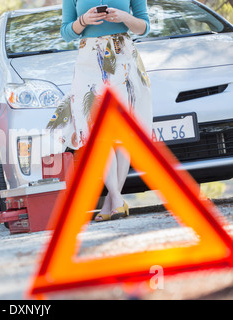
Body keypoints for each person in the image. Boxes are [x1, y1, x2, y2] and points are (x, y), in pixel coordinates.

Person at [47, 0, 153, 222]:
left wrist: (124, 17)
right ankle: (116, 198)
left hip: (124, 59)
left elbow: (144, 26)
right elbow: (66, 32)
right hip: (89, 62)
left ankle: (112, 202)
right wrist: (83, 20)